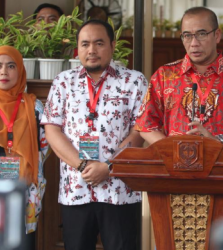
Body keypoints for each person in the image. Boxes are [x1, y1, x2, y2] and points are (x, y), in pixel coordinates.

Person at [133, 6, 223, 216]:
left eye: (201, 34)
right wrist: (174, 153)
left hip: (222, 179)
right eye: (187, 35)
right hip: (174, 180)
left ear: (217, 35)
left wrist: (217, 140)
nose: (193, 43)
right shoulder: (164, 75)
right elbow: (145, 124)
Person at [41, 19, 148, 250]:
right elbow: (52, 129)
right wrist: (82, 166)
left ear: (112, 45)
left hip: (120, 189)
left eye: (99, 43)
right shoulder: (63, 82)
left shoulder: (134, 81)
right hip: (76, 189)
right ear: (77, 49)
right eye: (85, 44)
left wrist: (108, 167)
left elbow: (140, 129)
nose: (91, 50)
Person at [0, 46, 49, 249]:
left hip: (24, 193)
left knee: (21, 243)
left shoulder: (34, 107)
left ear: (20, 71)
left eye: (11, 66)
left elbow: (44, 149)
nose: (4, 72)